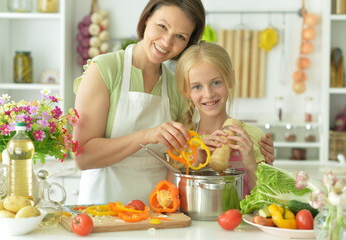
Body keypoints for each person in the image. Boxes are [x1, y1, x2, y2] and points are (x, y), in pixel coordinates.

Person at [73, 0, 274, 205]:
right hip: (103, 206)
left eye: (180, 36)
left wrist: (255, 157)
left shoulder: (177, 87)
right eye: (162, 26)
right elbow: (83, 157)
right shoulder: (105, 69)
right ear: (146, 19)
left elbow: (181, 161)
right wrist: (147, 135)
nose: (167, 42)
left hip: (158, 212)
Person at [175, 41, 268, 197]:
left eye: (216, 82)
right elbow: (170, 197)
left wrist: (251, 164)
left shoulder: (253, 136)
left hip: (242, 221)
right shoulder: (183, 140)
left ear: (229, 79)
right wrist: (196, 163)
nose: (209, 94)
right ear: (186, 90)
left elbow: (266, 201)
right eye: (197, 86)